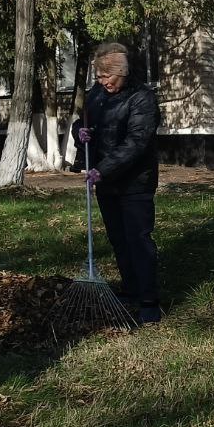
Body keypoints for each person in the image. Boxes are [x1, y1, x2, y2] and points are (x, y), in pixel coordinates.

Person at [72, 41, 162, 325]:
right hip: (106, 180)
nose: (102, 82)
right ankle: (131, 289)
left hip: (135, 182)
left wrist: (103, 169)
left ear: (122, 71)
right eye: (98, 77)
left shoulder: (142, 98)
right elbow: (84, 121)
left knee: (138, 239)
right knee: (118, 239)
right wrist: (80, 132)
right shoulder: (97, 95)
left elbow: (137, 142)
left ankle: (149, 301)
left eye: (107, 76)